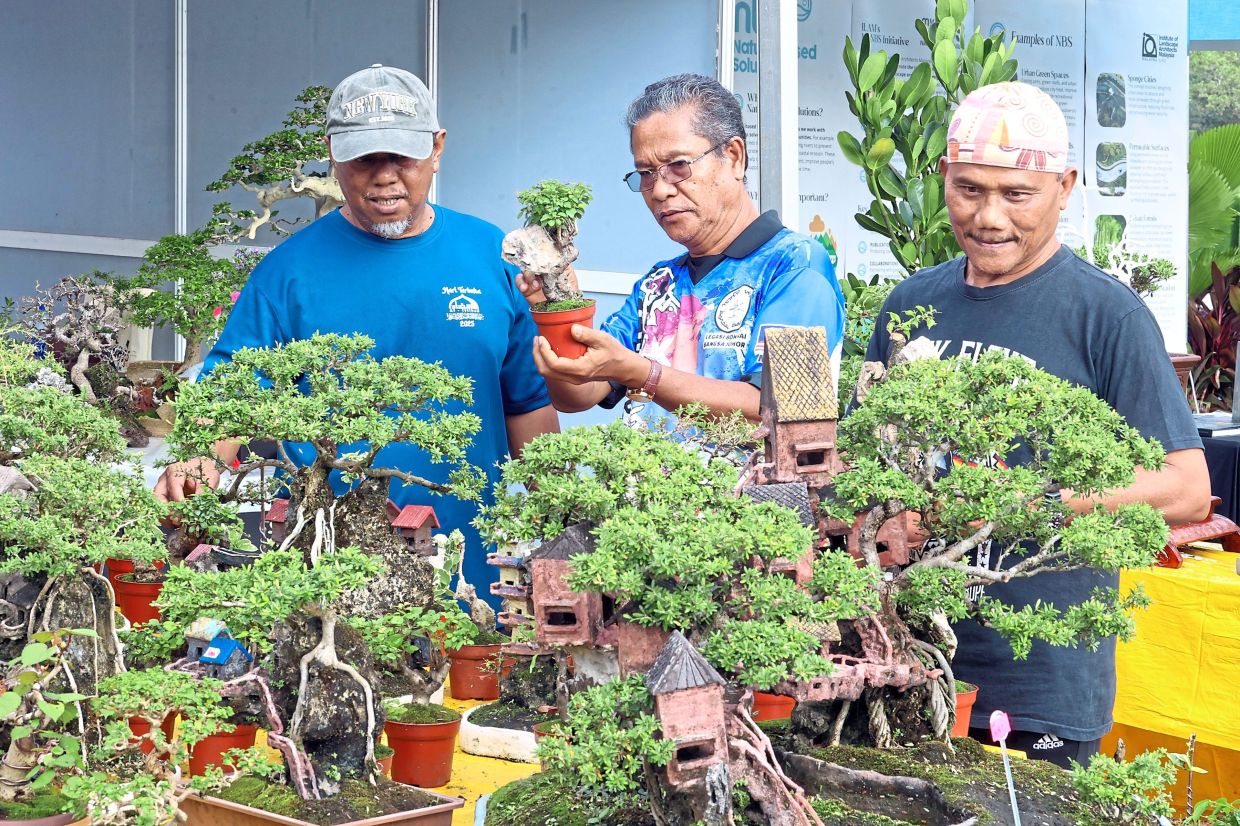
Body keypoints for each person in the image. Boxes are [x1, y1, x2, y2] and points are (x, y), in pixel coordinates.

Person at [861, 81, 1210, 766]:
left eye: (1016, 194)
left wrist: (1027, 505)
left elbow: (1186, 486)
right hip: (910, 659)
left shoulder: (1106, 317)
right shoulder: (911, 304)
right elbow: (866, 458)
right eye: (969, 190)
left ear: (1064, 185)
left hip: (1039, 676)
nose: (989, 217)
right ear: (943, 178)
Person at [154, 64, 558, 596]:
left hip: (472, 560)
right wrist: (199, 457)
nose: (385, 174)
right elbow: (233, 395)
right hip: (322, 561)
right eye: (365, 157)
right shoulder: (287, 273)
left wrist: (554, 523)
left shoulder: (492, 256)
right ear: (333, 155)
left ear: (437, 149)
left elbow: (527, 405)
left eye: (403, 156)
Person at [518, 73, 845, 427]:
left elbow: (778, 409)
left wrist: (642, 373)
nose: (659, 191)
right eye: (645, 173)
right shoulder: (658, 284)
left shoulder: (796, 264)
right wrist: (554, 305)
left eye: (678, 166)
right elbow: (578, 395)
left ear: (734, 157)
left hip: (748, 485)